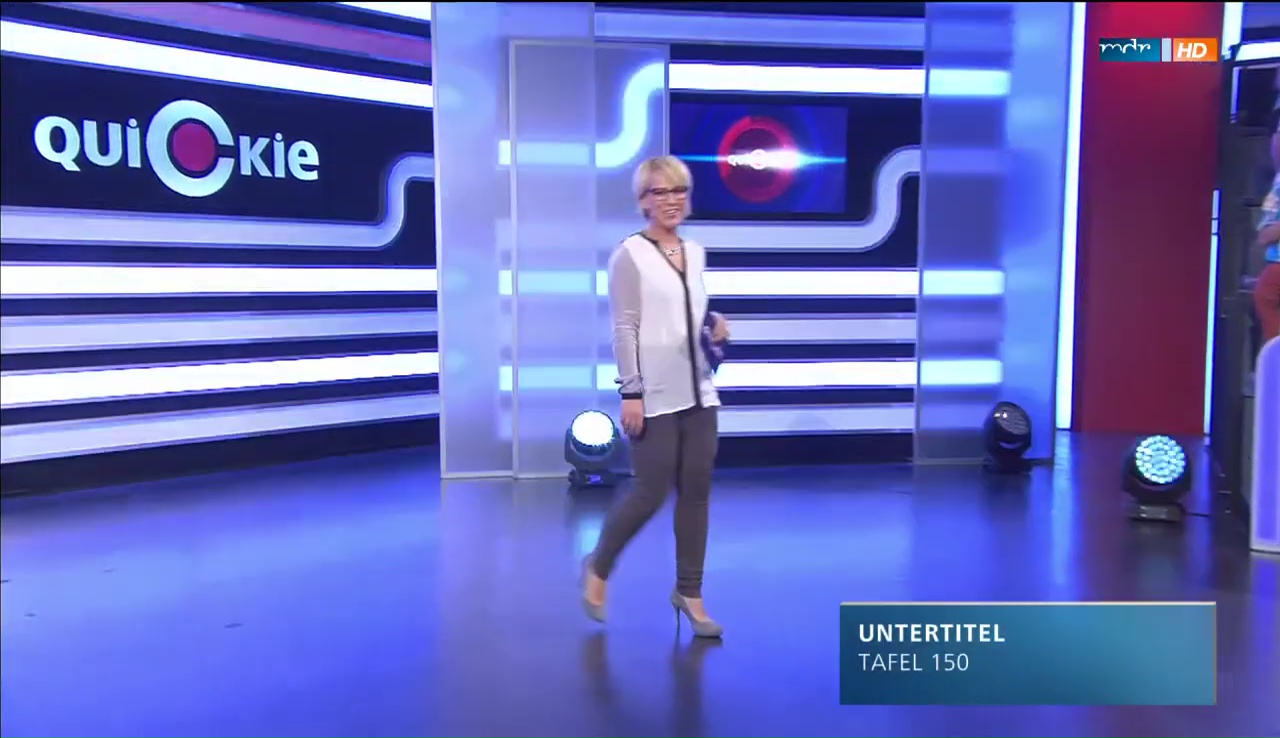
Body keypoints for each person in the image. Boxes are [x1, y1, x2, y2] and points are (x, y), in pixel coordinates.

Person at [581, 155, 729, 639]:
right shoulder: (630, 255)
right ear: (642, 201)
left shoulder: (696, 252)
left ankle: (690, 592)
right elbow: (625, 328)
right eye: (659, 192)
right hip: (654, 394)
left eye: (679, 190)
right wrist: (632, 391)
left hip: (699, 392)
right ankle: (599, 566)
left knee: (697, 493)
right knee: (650, 491)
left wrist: (714, 325)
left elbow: (687, 313)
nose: (671, 200)